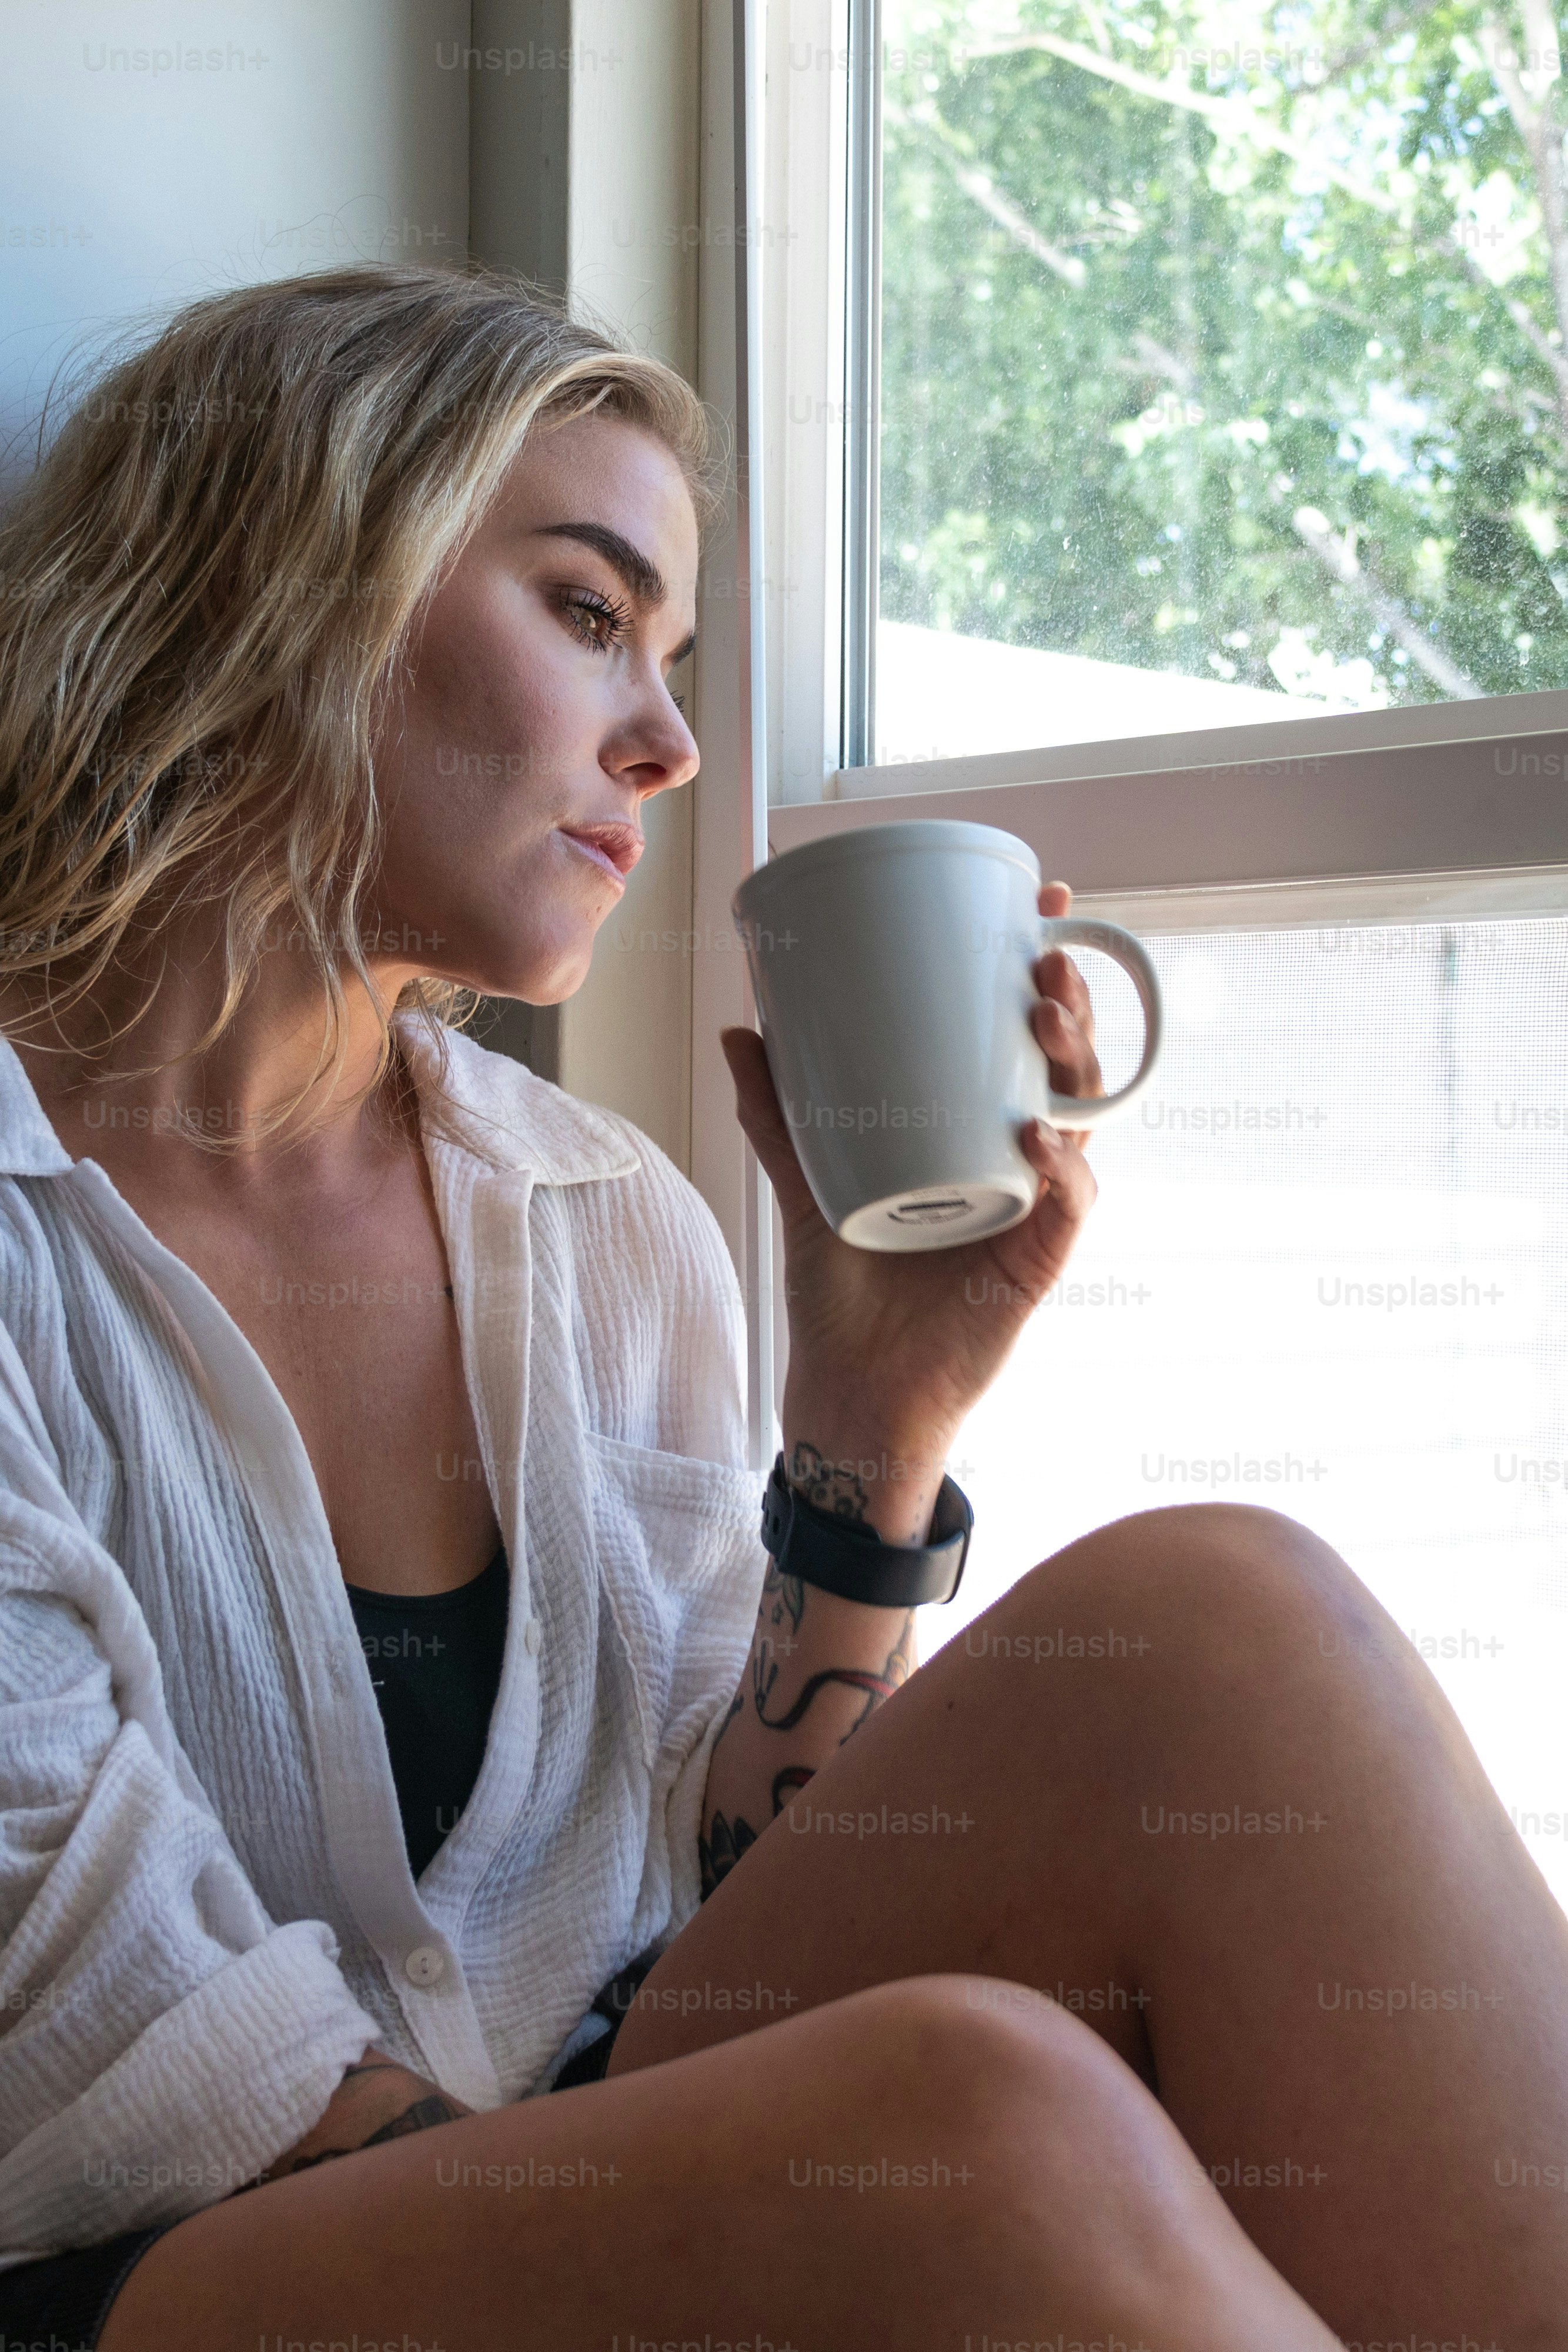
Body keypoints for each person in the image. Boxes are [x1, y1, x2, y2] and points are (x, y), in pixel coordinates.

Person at [0, 263, 1561, 2352]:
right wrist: (787, 2151)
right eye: (585, 613)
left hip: (540, 2134)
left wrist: (874, 1423)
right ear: (291, 579)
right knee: (978, 2116)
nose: (667, 743)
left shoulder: (594, 1219)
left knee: (1227, 1617)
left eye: (676, 656)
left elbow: (699, 1902)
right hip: (146, 2263)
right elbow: (115, 2048)